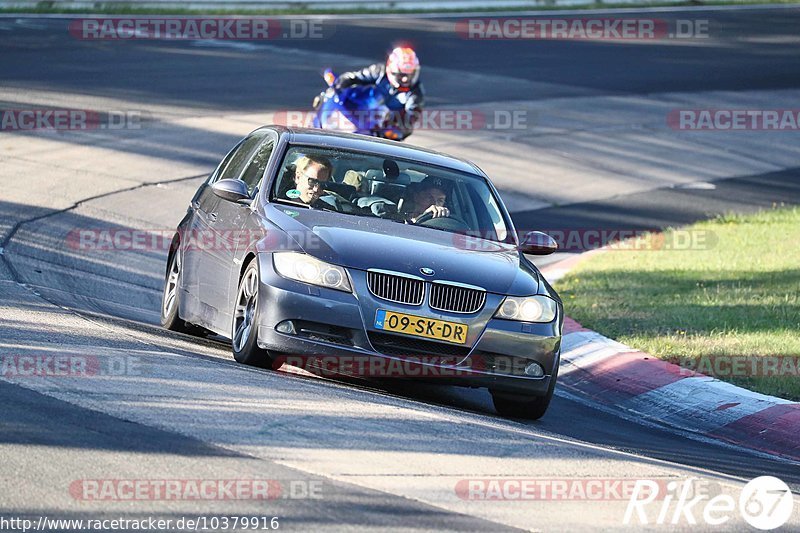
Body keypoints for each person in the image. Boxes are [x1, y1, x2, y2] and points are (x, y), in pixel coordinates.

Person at [324, 46, 425, 139]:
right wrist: (341, 82)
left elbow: (410, 119)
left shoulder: (415, 93)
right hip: (357, 110)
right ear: (392, 70)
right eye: (401, 75)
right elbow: (355, 77)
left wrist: (396, 131)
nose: (404, 80)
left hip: (377, 129)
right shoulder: (379, 71)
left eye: (409, 75)